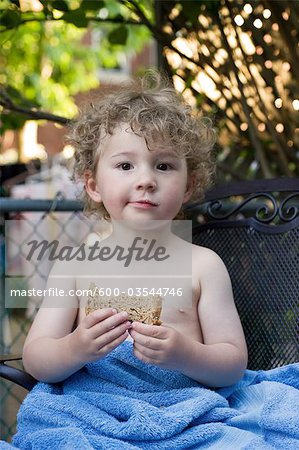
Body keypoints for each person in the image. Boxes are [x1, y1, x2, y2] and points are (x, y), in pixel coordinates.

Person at [22, 72, 247, 389]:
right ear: (93, 185)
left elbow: (233, 364)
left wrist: (186, 354)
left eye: (164, 166)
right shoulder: (74, 265)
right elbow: (35, 359)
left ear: (188, 186)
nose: (146, 180)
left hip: (183, 412)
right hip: (94, 412)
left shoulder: (204, 265)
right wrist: (75, 348)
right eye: (126, 166)